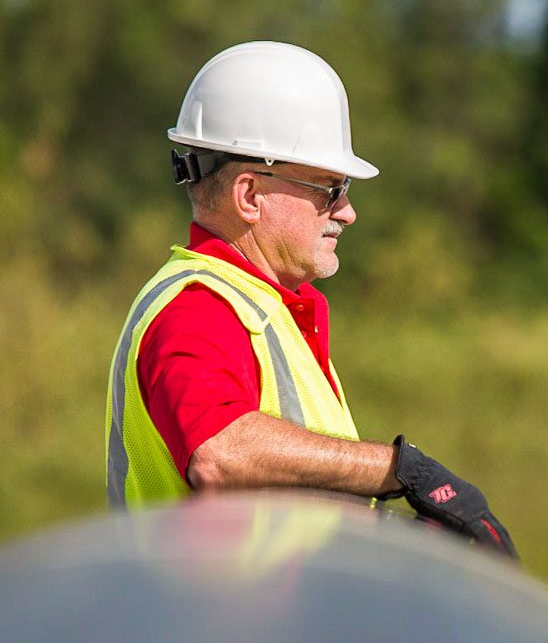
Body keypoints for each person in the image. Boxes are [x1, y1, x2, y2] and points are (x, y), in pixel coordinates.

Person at [105, 40, 517, 557]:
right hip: (210, 636)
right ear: (250, 195)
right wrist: (398, 470)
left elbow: (280, 506)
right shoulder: (197, 308)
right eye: (329, 189)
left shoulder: (270, 309)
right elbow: (220, 454)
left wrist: (398, 542)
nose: (346, 212)